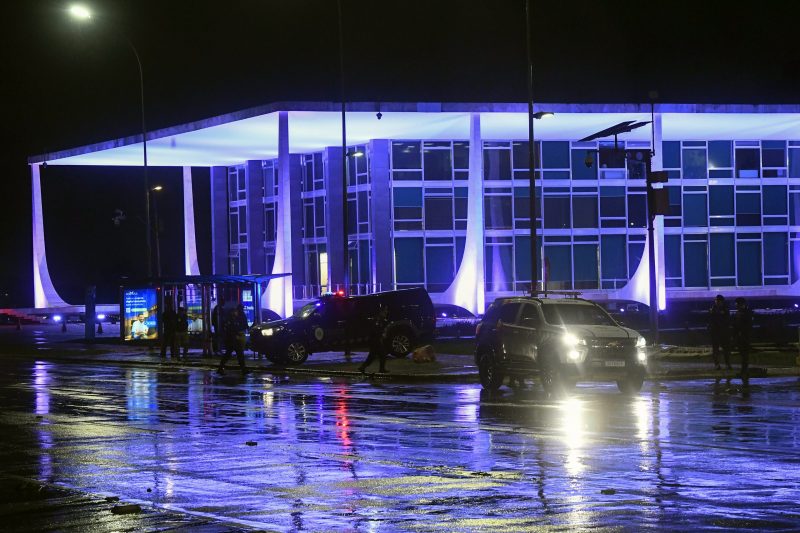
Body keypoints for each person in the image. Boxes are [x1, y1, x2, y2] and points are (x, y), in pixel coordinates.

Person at [217, 304, 250, 375]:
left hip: (233, 340)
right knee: (235, 354)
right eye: (235, 312)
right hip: (232, 340)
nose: (237, 313)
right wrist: (236, 335)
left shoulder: (232, 319)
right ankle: (243, 369)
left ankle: (243, 369)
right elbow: (231, 330)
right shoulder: (231, 320)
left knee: (234, 354)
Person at [358, 304, 389, 374]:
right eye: (385, 311)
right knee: (382, 354)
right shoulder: (378, 319)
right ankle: (381, 369)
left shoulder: (380, 319)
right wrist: (381, 336)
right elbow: (375, 330)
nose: (386, 312)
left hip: (375, 340)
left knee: (373, 356)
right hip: (375, 340)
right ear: (381, 312)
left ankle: (362, 367)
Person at [708, 294, 732, 370]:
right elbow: (711, 319)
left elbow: (727, 319)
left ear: (722, 302)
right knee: (716, 349)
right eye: (716, 301)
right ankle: (717, 364)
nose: (717, 302)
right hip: (715, 332)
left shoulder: (725, 309)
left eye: (718, 301)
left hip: (723, 332)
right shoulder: (713, 309)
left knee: (726, 349)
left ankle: (727, 364)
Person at [732, 297, 753, 380]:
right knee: (743, 355)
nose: (735, 305)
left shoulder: (746, 312)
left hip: (744, 336)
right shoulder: (741, 312)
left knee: (744, 355)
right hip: (741, 336)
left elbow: (747, 325)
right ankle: (744, 371)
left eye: (737, 303)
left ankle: (744, 371)